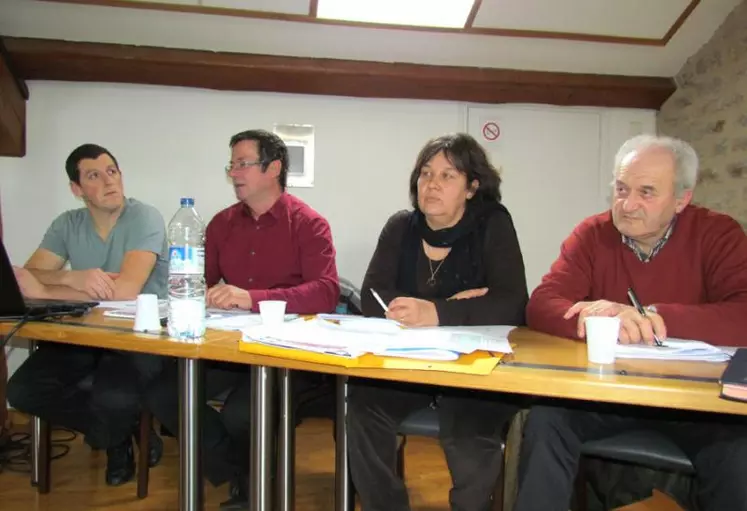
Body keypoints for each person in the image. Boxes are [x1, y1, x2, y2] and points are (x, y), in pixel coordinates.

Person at [513, 135, 747, 511]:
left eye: (647, 192)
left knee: (739, 455)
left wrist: (655, 316)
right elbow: (541, 304)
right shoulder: (593, 233)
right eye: (621, 189)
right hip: (609, 395)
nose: (628, 204)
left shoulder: (719, 235)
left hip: (698, 403)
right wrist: (590, 316)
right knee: (546, 422)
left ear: (682, 199)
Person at [145, 129, 339, 510]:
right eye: (231, 164)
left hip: (286, 353)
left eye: (243, 163)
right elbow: (199, 282)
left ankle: (253, 488)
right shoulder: (220, 224)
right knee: (164, 394)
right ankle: (236, 472)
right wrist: (197, 295)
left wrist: (252, 298)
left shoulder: (308, 224)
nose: (234, 172)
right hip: (228, 347)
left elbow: (326, 292)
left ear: (274, 168)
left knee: (242, 413)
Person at [347, 133, 528, 511]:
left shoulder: (493, 225)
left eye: (448, 176)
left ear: (472, 186)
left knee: (468, 431)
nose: (432, 184)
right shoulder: (401, 227)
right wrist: (455, 305)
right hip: (407, 362)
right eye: (426, 173)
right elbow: (370, 298)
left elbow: (512, 302)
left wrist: (435, 312)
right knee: (363, 412)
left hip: (472, 367)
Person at [7, 143, 169, 486]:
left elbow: (124, 291)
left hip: (137, 336)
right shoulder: (67, 223)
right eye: (94, 175)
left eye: (112, 171)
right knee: (22, 391)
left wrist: (46, 291)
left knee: (113, 396)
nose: (109, 181)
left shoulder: (145, 217)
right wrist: (70, 277)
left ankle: (116, 438)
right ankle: (122, 435)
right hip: (85, 333)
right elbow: (26, 277)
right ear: (77, 190)